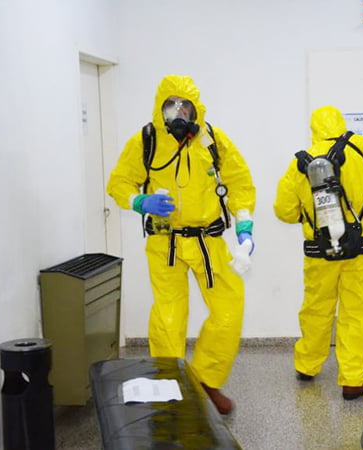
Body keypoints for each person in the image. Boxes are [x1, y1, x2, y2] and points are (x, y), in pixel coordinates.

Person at [106, 74, 256, 414]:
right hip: (166, 243)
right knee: (169, 317)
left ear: (195, 109)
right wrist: (139, 202)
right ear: (160, 108)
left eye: (184, 105)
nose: (178, 112)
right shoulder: (144, 141)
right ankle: (169, 388)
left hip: (209, 240)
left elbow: (239, 182)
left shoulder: (213, 141)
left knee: (229, 310)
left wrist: (244, 225)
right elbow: (118, 183)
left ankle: (205, 380)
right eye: (170, 105)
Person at [273, 105, 363, 400]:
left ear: (314, 129)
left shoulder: (301, 163)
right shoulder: (361, 147)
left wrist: (305, 216)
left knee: (316, 309)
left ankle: (307, 365)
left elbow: (283, 210)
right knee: (358, 312)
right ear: (341, 124)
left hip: (319, 251)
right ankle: (353, 379)